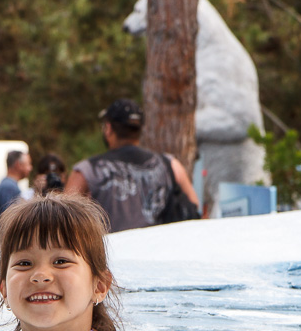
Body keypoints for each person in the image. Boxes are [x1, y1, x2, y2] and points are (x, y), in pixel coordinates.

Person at [0, 193, 144, 331]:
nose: (40, 276)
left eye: (61, 261)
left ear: (99, 286)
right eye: (24, 263)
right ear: (4, 289)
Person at [65, 98, 200, 232]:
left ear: (108, 128)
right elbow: (194, 205)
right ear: (139, 129)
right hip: (160, 244)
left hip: (111, 245)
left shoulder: (88, 170)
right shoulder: (170, 164)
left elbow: (63, 217)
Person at [0, 149, 32, 250]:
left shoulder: (8, 185)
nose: (30, 168)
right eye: (28, 164)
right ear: (18, 165)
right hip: (5, 248)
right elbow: (11, 221)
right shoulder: (9, 188)